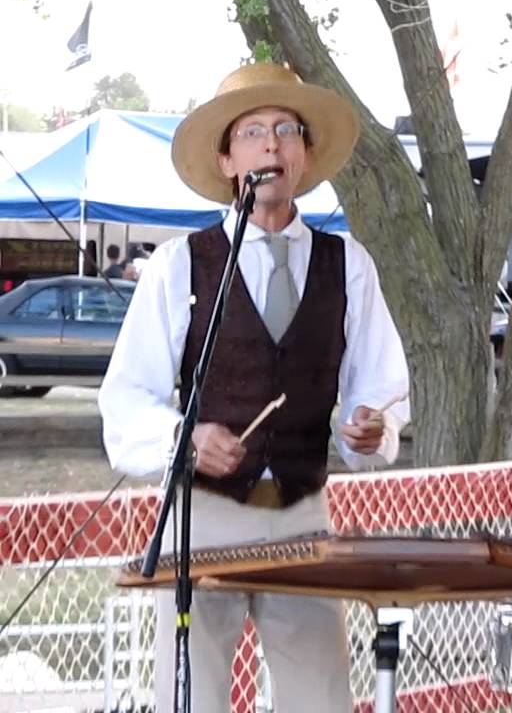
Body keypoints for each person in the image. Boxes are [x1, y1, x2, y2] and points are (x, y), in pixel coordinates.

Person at [98, 62, 411, 713]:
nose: (272, 144)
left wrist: (369, 425)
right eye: (254, 131)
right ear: (227, 157)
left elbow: (378, 386)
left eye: (288, 130)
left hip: (300, 512)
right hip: (201, 517)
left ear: (304, 155)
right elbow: (127, 397)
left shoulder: (347, 264)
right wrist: (182, 440)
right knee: (192, 697)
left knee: (318, 699)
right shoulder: (178, 264)